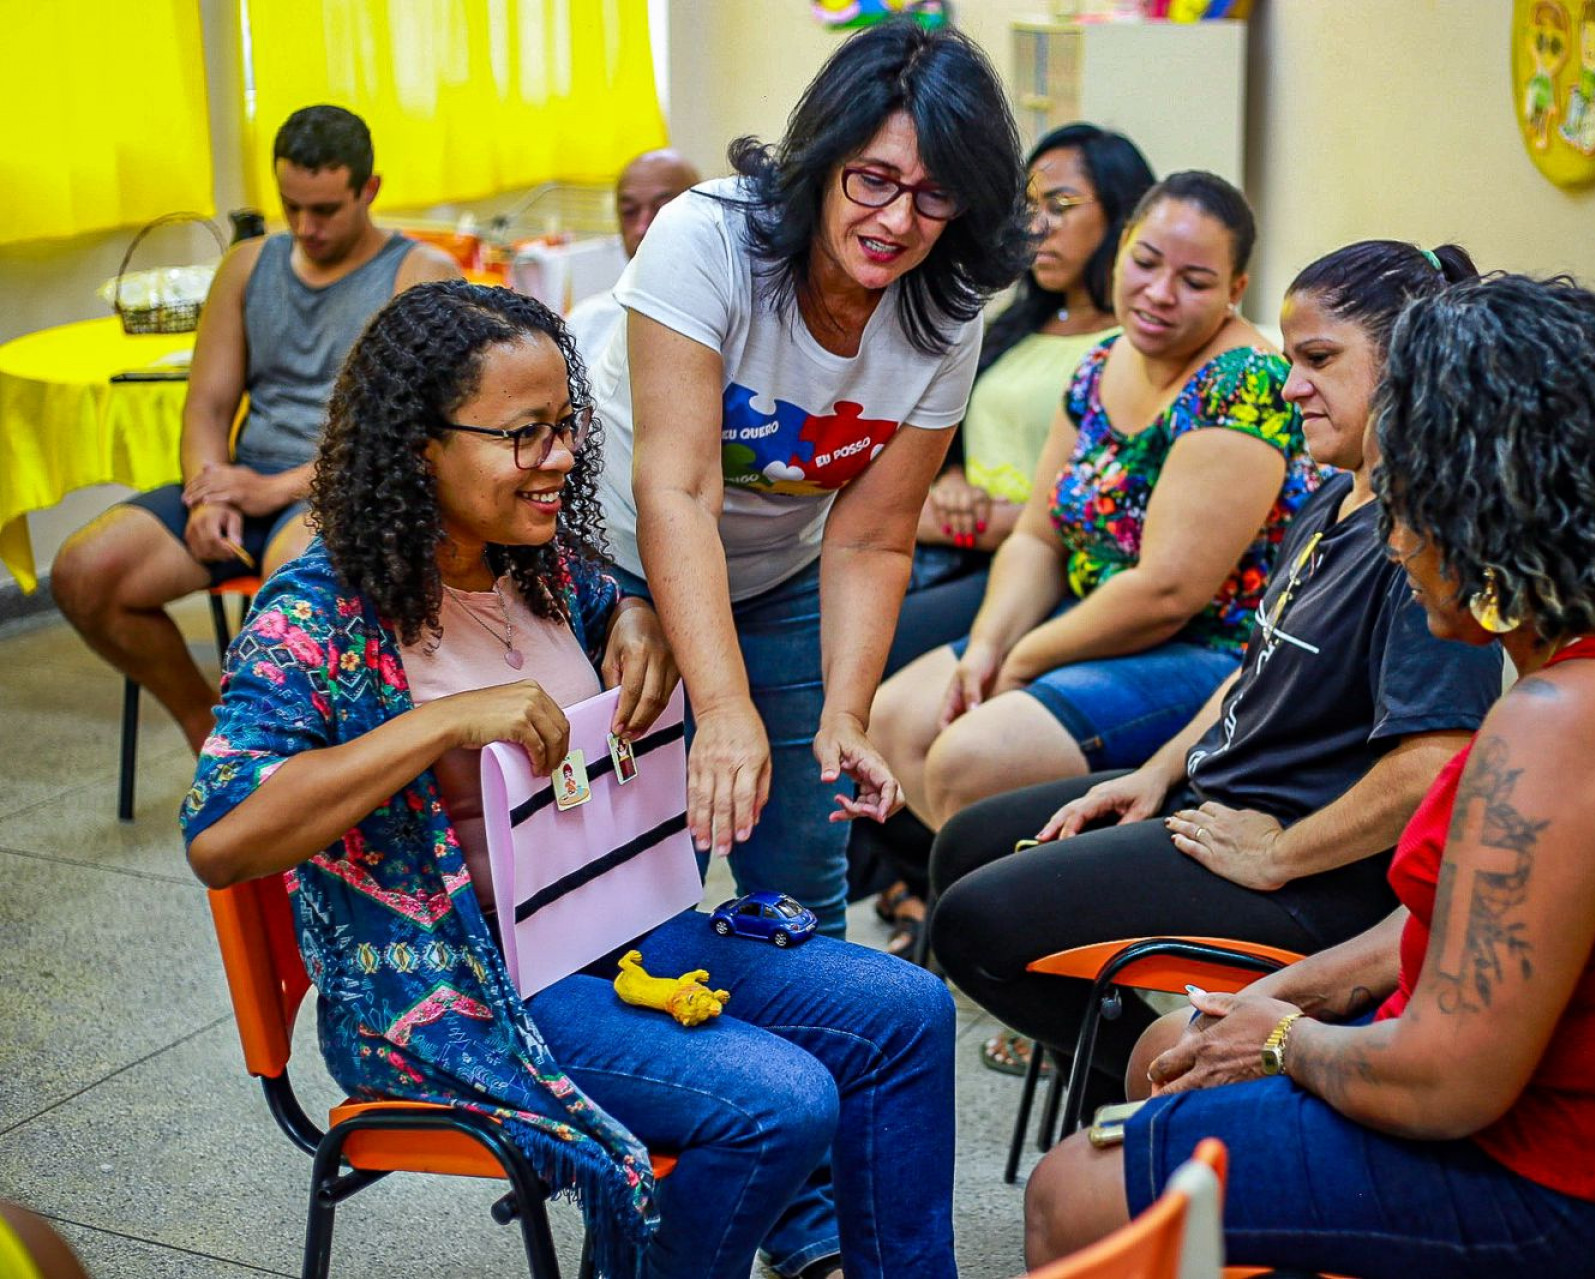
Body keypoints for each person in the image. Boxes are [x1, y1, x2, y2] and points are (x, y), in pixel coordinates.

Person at [1023, 273, 1595, 1279]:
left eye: (1405, 496)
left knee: (1073, 1191)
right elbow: (1486, 916)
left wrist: (1282, 1039)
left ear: (1487, 505)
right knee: (1170, 1055)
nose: (1394, 537)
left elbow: (1447, 1085)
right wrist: (1290, 992)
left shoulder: (1567, 724)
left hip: (1560, 1195)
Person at [181, 282, 958, 1279]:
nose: (561, 458)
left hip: (608, 935)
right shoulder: (321, 611)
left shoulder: (534, 562)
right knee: (777, 1103)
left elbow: (613, 603)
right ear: (420, 447)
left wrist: (636, 617)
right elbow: (222, 836)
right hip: (460, 988)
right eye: (524, 435)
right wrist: (440, 722)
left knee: (908, 1013)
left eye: (566, 426)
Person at [929, 240, 1502, 1082]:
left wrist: (1280, 853)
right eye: (1291, 358)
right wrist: (1159, 772)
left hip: (1307, 871)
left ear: (1409, 365)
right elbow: (1255, 665)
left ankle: (1153, 1079)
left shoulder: (1422, 544)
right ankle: (1143, 1076)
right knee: (965, 847)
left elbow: (1434, 764)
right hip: (1221, 804)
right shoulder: (1331, 496)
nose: (1291, 384)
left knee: (975, 924)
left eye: (1319, 359)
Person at [593, 18, 1032, 936]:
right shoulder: (708, 239)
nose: (898, 221)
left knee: (802, 884)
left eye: (935, 195)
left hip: (776, 575)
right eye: (874, 179)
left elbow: (871, 537)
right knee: (633, 885)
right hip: (617, 557)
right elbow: (679, 493)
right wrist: (722, 706)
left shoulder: (945, 313)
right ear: (823, 161)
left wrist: (847, 711)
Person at [869, 171, 1327, 847]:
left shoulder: (1244, 382)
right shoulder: (1102, 360)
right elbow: (1038, 537)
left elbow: (1167, 592)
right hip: (1091, 620)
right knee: (894, 718)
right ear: (1120, 255)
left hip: (1211, 650)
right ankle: (977, 888)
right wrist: (989, 642)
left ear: (1235, 290)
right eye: (1146, 263)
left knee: (968, 757)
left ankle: (1008, 896)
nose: (1160, 293)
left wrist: (1023, 659)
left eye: (1195, 281)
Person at [50, 105, 461, 754]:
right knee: (83, 572)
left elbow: (400, 433)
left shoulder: (421, 274)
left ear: (370, 190)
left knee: (290, 593)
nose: (305, 227)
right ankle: (212, 735)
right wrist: (207, 493)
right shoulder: (246, 266)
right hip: (244, 484)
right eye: (290, 206)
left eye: (324, 210)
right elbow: (207, 407)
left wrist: (269, 490)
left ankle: (295, 762)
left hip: (344, 488)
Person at [858, 122, 1156, 954]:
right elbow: (951, 433)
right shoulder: (1015, 324)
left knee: (873, 654)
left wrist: (1000, 518)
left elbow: (1107, 494)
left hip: (1038, 561)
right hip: (955, 545)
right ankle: (916, 875)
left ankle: (944, 885)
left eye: (1063, 205)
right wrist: (950, 478)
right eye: (1028, 206)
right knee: (835, 632)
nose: (1037, 226)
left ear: (1122, 216)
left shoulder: (1130, 343)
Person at [567, 148, 701, 363]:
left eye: (662, 209)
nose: (641, 228)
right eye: (630, 211)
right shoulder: (584, 325)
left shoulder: (736, 316)